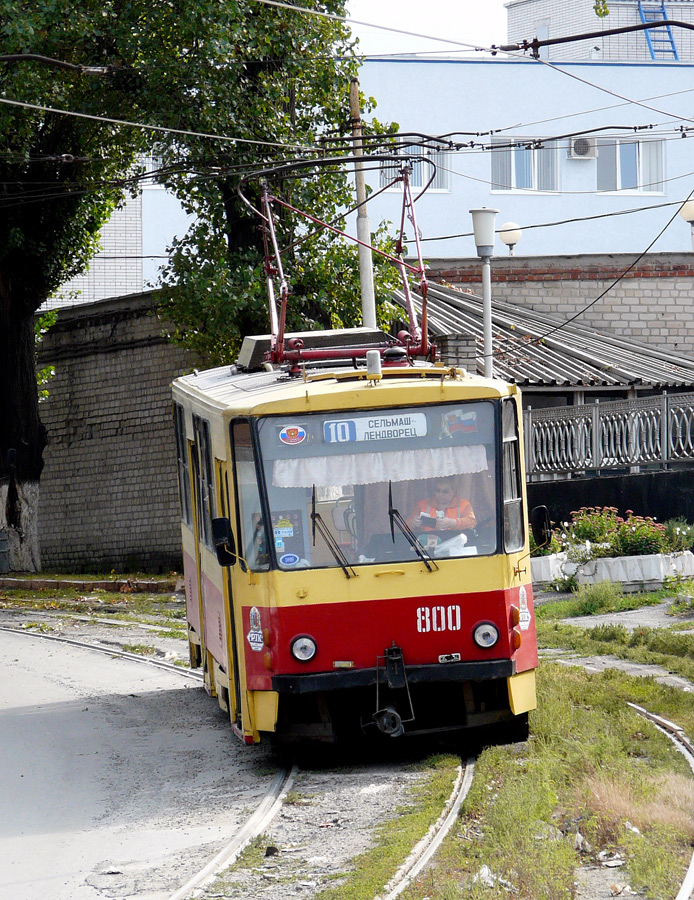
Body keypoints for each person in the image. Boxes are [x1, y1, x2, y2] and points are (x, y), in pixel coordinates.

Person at [407, 477, 476, 533]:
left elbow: (472, 522)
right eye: (438, 491)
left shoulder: (463, 504)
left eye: (445, 492)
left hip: (455, 542)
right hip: (428, 542)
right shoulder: (422, 505)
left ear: (454, 492)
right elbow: (406, 527)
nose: (441, 494)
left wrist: (452, 523)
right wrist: (413, 524)